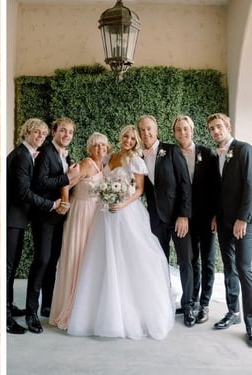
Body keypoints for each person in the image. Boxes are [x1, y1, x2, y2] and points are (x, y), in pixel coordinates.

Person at [68, 125, 175, 339]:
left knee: (129, 258)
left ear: (136, 142)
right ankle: (98, 311)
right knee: (102, 259)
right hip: (104, 213)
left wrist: (121, 204)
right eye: (126, 136)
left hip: (125, 212)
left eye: (132, 138)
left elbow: (139, 189)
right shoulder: (110, 156)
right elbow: (100, 179)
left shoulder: (136, 160)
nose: (128, 140)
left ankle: (128, 312)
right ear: (121, 137)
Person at [137, 115, 195, 327]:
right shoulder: (138, 157)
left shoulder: (171, 150)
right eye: (142, 130)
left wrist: (184, 215)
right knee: (160, 262)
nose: (146, 133)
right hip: (155, 220)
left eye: (149, 129)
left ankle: (188, 306)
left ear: (156, 129)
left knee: (185, 261)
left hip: (177, 218)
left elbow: (185, 185)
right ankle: (164, 304)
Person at [49, 132, 109, 329]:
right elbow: (65, 182)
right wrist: (65, 201)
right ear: (89, 148)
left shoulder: (104, 166)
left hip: (95, 215)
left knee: (88, 260)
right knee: (76, 257)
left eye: (103, 145)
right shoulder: (85, 164)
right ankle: (69, 309)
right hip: (80, 213)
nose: (100, 149)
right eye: (96, 145)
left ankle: (84, 308)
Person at [25, 117, 80, 333]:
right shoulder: (46, 153)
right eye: (63, 131)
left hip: (61, 218)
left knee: (53, 261)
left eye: (70, 132)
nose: (67, 135)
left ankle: (47, 306)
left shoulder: (67, 156)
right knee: (42, 260)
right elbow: (40, 183)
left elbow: (69, 183)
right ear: (54, 133)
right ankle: (31, 312)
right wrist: (67, 177)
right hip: (44, 216)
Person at [205, 113, 252, 347]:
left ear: (228, 127)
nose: (215, 131)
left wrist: (243, 218)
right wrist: (215, 215)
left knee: (245, 269)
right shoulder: (215, 156)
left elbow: (250, 185)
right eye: (212, 128)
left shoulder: (244, 149)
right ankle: (233, 312)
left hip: (243, 223)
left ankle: (251, 321)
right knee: (230, 267)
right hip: (223, 222)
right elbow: (218, 190)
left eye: (219, 127)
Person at [5, 118, 52, 334]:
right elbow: (23, 192)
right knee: (8, 267)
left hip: (19, 218)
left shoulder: (28, 156)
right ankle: (5, 315)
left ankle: (9, 305)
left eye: (43, 133)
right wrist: (49, 205)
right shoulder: (20, 157)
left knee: (12, 266)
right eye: (36, 132)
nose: (40, 136)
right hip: (11, 217)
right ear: (26, 133)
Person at [173, 115, 220, 324]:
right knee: (191, 261)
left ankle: (205, 304)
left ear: (192, 130)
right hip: (185, 217)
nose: (182, 133)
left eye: (186, 128)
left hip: (207, 216)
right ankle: (190, 303)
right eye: (178, 130)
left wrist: (217, 214)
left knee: (208, 260)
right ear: (174, 133)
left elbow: (217, 187)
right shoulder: (172, 154)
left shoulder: (207, 153)